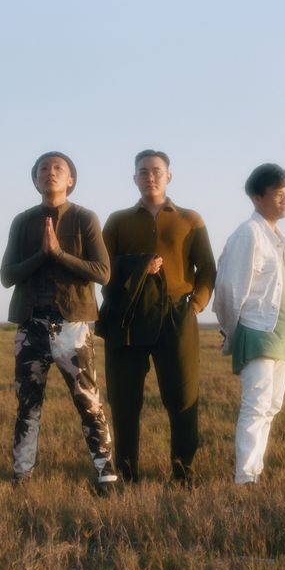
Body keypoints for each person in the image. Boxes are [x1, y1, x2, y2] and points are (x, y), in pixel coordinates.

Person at [97, 149, 216, 486]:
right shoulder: (118, 221)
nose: (150, 176)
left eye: (156, 171)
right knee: (124, 399)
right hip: (128, 317)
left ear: (169, 176)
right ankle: (127, 474)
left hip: (176, 314)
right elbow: (103, 269)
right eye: (143, 171)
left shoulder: (190, 219)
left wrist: (196, 305)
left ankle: (183, 474)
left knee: (182, 397)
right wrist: (138, 266)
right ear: (134, 178)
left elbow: (207, 268)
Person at [0, 151, 117, 492]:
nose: (50, 172)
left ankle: (106, 477)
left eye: (58, 168)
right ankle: (21, 476)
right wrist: (42, 255)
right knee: (27, 405)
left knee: (89, 403)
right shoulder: (22, 222)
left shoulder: (84, 218)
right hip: (30, 324)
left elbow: (103, 272)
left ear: (70, 180)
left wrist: (60, 254)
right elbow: (7, 276)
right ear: (35, 180)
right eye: (43, 168)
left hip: (73, 325)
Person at [213, 163, 285, 485]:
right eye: (278, 194)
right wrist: (231, 330)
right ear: (257, 197)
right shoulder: (248, 233)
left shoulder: (277, 237)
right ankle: (246, 479)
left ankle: (254, 472)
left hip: (281, 334)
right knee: (256, 405)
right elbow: (228, 288)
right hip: (258, 330)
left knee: (272, 406)